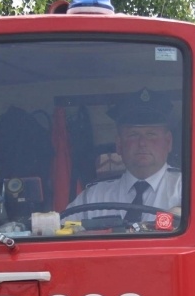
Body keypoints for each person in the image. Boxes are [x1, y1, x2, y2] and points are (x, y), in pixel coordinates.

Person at [64, 91, 181, 223]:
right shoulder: (92, 198)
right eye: (133, 135)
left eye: (151, 134)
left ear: (168, 142)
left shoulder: (186, 191)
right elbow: (60, 235)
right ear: (119, 145)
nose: (142, 143)